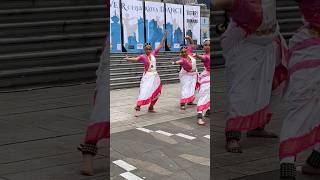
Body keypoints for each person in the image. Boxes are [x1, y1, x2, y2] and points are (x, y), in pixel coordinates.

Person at [214, 0, 287, 153]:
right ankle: (233, 135)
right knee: (243, 91)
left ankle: (258, 126)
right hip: (246, 46)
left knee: (277, 85)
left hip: (271, 41)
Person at [279, 0, 320, 178]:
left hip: (308, 48)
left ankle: (314, 161)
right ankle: (287, 168)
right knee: (300, 109)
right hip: (310, 49)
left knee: (301, 110)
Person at [77, 37, 109, 176]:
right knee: (99, 119)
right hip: (106, 81)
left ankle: (87, 159)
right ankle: (87, 159)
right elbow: (103, 60)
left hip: (106, 80)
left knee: (100, 119)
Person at [124, 31, 168, 117]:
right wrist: (128, 58)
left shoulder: (154, 53)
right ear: (144, 49)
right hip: (148, 76)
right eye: (147, 48)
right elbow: (135, 59)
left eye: (150, 48)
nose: (148, 50)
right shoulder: (142, 56)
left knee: (157, 92)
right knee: (144, 92)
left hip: (155, 76)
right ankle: (138, 107)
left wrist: (165, 37)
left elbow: (160, 45)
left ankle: (151, 107)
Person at [172, 36, 199, 111]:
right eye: (182, 52)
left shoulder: (190, 53)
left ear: (187, 51)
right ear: (180, 53)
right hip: (185, 75)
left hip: (193, 74)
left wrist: (189, 38)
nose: (184, 53)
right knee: (185, 88)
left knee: (193, 88)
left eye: (185, 51)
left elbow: (191, 44)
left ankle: (190, 101)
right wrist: (174, 62)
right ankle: (182, 103)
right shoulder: (182, 59)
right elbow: (178, 62)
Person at [193, 39, 211, 125]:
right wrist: (197, 55)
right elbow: (203, 57)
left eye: (208, 45)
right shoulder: (205, 56)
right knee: (203, 96)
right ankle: (199, 117)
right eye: (205, 45)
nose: (207, 46)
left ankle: (208, 111)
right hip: (207, 78)